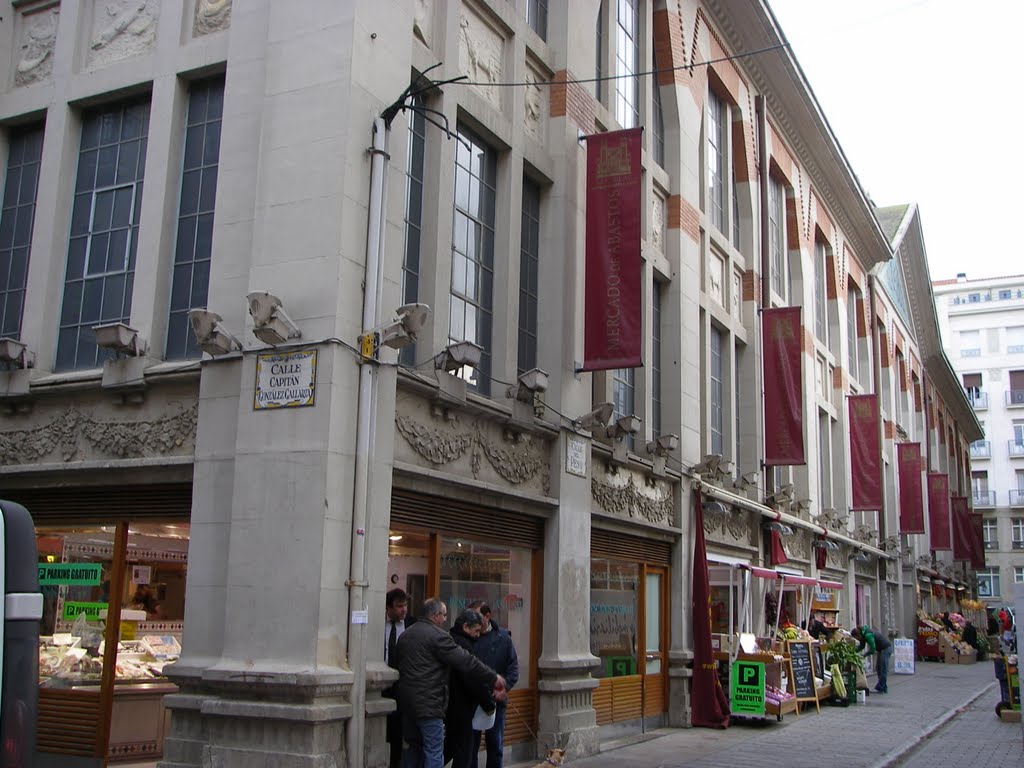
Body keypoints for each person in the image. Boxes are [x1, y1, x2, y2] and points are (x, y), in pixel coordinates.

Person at [394, 598, 506, 768]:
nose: (446, 619)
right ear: (436, 615)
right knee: (434, 752)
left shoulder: (405, 635)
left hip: (407, 705)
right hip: (430, 705)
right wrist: (493, 677)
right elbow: (467, 662)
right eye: (444, 615)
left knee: (413, 749)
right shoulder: (438, 637)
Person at [467, 602, 519, 768]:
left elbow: (513, 669)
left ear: (487, 616)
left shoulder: (503, 638)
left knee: (495, 745)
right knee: (470, 747)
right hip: (473, 701)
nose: (473, 620)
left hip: (496, 702)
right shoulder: (467, 638)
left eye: (476, 616)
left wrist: (504, 688)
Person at [444, 609, 494, 768]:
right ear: (466, 627)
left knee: (451, 747)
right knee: (463, 751)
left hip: (451, 705)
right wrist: (488, 703)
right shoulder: (463, 645)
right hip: (460, 707)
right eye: (476, 631)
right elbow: (473, 678)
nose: (478, 635)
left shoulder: (451, 640)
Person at [384, 588, 416, 768]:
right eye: (399, 606)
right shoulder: (378, 626)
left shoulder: (412, 625)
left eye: (405, 605)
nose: (404, 610)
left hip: (405, 685)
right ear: (388, 608)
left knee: (401, 733)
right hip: (383, 685)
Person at [852, 625, 892, 694]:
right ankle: (883, 688)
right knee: (879, 668)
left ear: (858, 635)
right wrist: (852, 651)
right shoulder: (863, 636)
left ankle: (880, 688)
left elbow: (873, 649)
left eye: (857, 638)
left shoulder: (868, 635)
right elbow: (862, 646)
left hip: (886, 649)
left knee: (883, 669)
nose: (857, 640)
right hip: (881, 650)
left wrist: (864, 655)